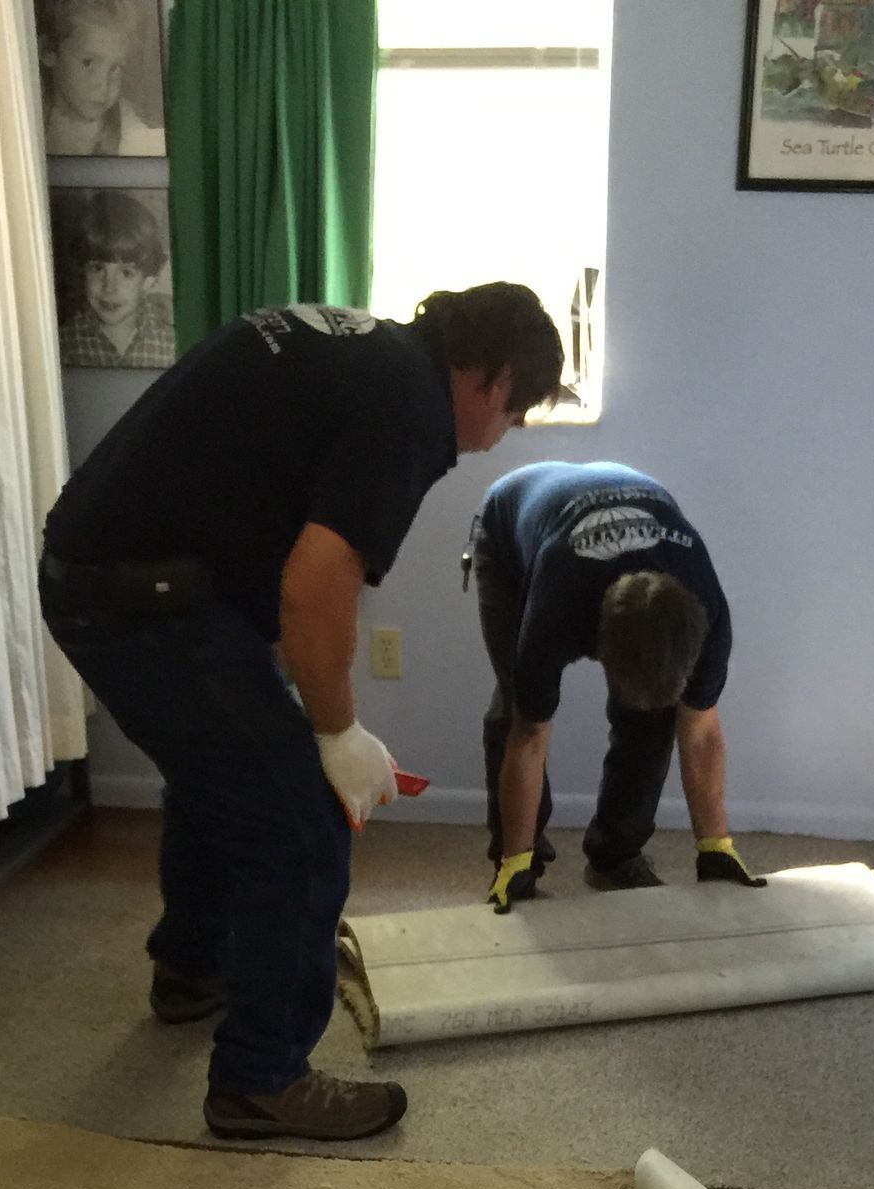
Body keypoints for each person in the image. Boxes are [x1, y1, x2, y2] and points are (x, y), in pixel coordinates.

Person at [40, 286, 566, 1141]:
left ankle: (193, 970)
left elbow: (275, 538)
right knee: (300, 821)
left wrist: (303, 716)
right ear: (493, 378)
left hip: (120, 575)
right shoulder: (409, 409)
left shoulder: (368, 351)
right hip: (142, 601)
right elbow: (318, 583)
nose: (500, 435)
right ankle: (262, 1078)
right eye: (516, 411)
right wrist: (336, 736)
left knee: (228, 772)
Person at [471, 462, 767, 912]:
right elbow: (529, 740)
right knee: (518, 706)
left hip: (629, 507)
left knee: (652, 718)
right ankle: (519, 860)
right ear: (597, 646)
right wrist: (515, 861)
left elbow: (702, 731)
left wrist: (715, 846)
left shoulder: (707, 613)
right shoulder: (557, 610)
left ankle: (615, 854)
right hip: (512, 522)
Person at [57, 194, 174, 371]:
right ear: (83, 271)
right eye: (97, 269)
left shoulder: (170, 341)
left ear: (149, 280)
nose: (109, 288)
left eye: (126, 273)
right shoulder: (63, 344)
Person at [39, 0, 161, 157]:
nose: (103, 85)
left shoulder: (132, 136)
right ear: (48, 52)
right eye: (88, 63)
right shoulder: (26, 124)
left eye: (114, 68)